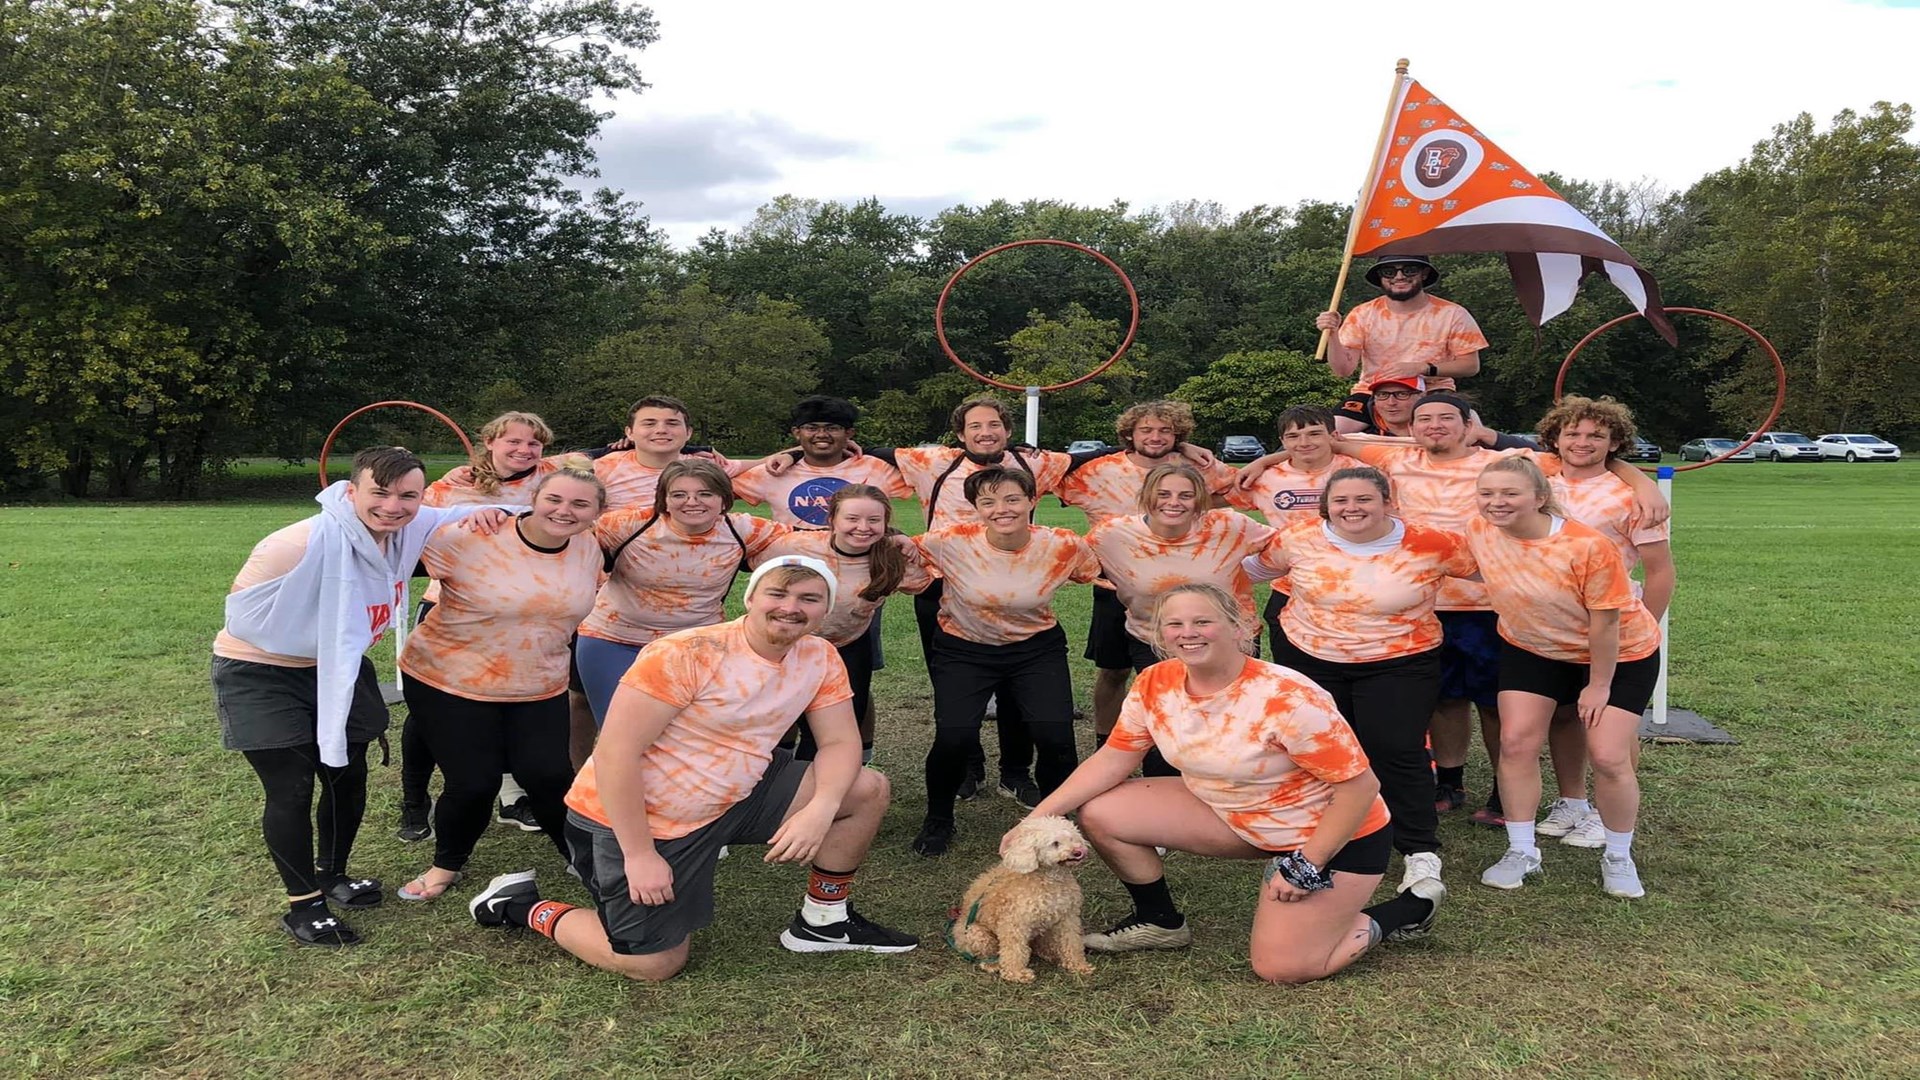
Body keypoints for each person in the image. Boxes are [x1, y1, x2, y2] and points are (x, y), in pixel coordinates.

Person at [467, 557, 919, 979]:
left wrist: (821, 807)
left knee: (864, 788)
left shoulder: (818, 655)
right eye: (778, 594)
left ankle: (823, 921)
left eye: (809, 598)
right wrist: (639, 855)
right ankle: (520, 904)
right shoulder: (687, 652)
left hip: (738, 791)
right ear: (751, 597)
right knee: (653, 964)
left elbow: (840, 741)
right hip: (642, 818)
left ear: (825, 610)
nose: (791, 607)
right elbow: (615, 753)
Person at [1241, 392, 1666, 827]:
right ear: (1411, 428)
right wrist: (1264, 460)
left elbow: (1581, 456)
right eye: (1424, 419)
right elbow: (1320, 442)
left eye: (1447, 417)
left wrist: (1643, 482)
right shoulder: (1395, 458)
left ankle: (1503, 791)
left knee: (1495, 704)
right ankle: (1449, 781)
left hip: (1489, 602)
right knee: (1444, 701)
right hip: (1420, 603)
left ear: (1469, 426)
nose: (1435, 426)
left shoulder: (1504, 462)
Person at [1009, 583, 1442, 984]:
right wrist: (1036, 819)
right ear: (1160, 635)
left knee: (1284, 967)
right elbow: (1113, 759)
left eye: (1203, 621)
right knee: (1102, 811)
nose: (1188, 633)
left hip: (1331, 834)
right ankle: (1160, 921)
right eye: (1175, 624)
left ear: (1239, 627)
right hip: (1234, 814)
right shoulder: (1155, 682)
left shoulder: (1288, 696)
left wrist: (1307, 864)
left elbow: (1359, 789)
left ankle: (1409, 908)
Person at [212, 447, 508, 947]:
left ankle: (333, 873)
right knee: (291, 787)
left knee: (348, 777)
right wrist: (323, 636)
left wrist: (491, 511)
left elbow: (493, 512)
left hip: (340, 668)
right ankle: (304, 904)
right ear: (351, 492)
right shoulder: (296, 542)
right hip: (262, 671)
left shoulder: (409, 528)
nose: (393, 506)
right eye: (380, 493)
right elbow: (245, 616)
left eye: (408, 496)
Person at [1246, 466, 1476, 895]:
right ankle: (1318, 842)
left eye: (1364, 499)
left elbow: (1496, 569)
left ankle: (1419, 851)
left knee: (1395, 748)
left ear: (1388, 502)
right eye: (1341, 501)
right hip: (1312, 657)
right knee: (1319, 752)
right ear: (1326, 506)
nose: (1352, 508)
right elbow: (1250, 570)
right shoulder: (1298, 538)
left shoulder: (1432, 543)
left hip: (1400, 660)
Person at [395, 463, 607, 902]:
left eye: (580, 504)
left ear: (596, 513)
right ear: (534, 500)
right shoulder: (474, 536)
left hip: (538, 682)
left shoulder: (589, 548)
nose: (564, 511)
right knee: (474, 782)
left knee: (549, 775)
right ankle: (446, 865)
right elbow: (391, 551)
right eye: (554, 499)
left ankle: (583, 860)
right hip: (449, 678)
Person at [1464, 457, 1663, 898]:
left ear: (1539, 497)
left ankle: (1618, 855)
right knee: (1516, 743)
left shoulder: (1586, 546)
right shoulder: (1479, 529)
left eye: (1510, 493)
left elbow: (1605, 623)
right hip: (1533, 648)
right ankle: (1521, 850)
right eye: (1487, 493)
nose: (1496, 502)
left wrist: (1598, 685)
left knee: (1608, 755)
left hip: (1620, 653)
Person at [910, 467, 1102, 857]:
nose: (1002, 509)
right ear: (976, 508)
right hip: (964, 647)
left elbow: (1099, 572)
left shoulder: (1063, 544)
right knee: (954, 736)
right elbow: (897, 551)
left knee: (1055, 735)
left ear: (1032, 500)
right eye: (989, 502)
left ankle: (1056, 821)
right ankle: (938, 819)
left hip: (1036, 648)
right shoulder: (948, 541)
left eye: (1013, 499)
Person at [400, 410, 562, 842]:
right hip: (452, 608)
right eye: (513, 441)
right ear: (489, 442)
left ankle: (511, 796)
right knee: (430, 710)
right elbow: (408, 526)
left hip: (528, 614)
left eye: (533, 443)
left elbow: (599, 460)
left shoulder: (553, 479)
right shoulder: (452, 485)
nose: (524, 450)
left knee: (512, 705)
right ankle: (414, 799)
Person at [1056, 400, 1241, 755]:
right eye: (1146, 430)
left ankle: (1185, 743)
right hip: (1117, 583)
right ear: (1129, 434)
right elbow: (1044, 476)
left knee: (1181, 670)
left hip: (1182, 583)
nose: (1155, 437)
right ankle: (1107, 743)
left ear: (1178, 435)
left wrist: (1197, 496)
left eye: (1165, 431)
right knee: (1114, 670)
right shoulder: (1098, 470)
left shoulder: (1195, 466)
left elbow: (1238, 488)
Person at [1533, 397, 1676, 850]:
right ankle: (1572, 801)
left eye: (1596, 435)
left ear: (1614, 443)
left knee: (1612, 724)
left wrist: (1646, 625)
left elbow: (1660, 570)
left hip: (1613, 625)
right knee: (1564, 715)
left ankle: (1605, 810)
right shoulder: (1536, 481)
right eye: (1573, 433)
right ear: (1555, 438)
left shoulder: (1629, 495)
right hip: (1549, 628)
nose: (1583, 442)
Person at [574, 459, 787, 726]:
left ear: (724, 499)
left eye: (705, 494)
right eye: (679, 495)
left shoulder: (744, 531)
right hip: (614, 640)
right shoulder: (625, 525)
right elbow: (564, 539)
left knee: (691, 731)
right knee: (623, 730)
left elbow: (813, 543)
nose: (691, 502)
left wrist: (794, 455)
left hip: (696, 643)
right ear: (663, 499)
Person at [1083, 461, 1274, 759]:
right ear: (1146, 496)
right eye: (1163, 494)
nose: (1174, 503)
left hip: (1230, 640)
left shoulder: (1231, 526)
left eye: (1186, 495)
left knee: (1229, 730)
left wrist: (1253, 572)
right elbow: (1065, 558)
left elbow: (1289, 547)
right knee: (1167, 736)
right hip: (1154, 639)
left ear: (1200, 499)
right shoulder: (1112, 535)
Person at [763, 484, 933, 762]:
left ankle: (822, 779)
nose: (863, 528)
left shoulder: (894, 558)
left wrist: (903, 540)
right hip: (790, 646)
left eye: (874, 520)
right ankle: (776, 776)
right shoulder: (797, 546)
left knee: (836, 727)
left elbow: (933, 586)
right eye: (852, 518)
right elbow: (746, 557)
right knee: (780, 717)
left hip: (848, 646)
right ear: (832, 520)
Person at [1224, 405, 1362, 651]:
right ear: (1282, 441)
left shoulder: (1362, 472)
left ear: (1333, 435)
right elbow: (1208, 499)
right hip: (1289, 587)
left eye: (1314, 433)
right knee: (1292, 663)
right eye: (1293, 436)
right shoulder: (1265, 479)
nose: (1304, 442)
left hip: (1353, 586)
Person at [1316, 255, 1486, 435]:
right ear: (1380, 277)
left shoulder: (1453, 313)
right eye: (1389, 272)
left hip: (1433, 390)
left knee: (1473, 434)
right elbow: (1343, 370)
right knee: (1328, 434)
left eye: (1409, 270)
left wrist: (1422, 368)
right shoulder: (1362, 313)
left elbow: (1470, 366)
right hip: (1373, 391)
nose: (1399, 277)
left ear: (1424, 273)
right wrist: (1332, 334)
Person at [731, 396, 912, 528]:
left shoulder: (878, 469)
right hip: (797, 565)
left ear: (849, 434)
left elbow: (929, 464)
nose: (822, 435)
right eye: (812, 428)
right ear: (797, 433)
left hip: (863, 565)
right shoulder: (773, 472)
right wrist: (791, 454)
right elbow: (717, 486)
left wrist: (867, 450)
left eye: (832, 428)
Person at [592, 395, 747, 511]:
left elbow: (761, 466)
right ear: (629, 432)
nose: (661, 430)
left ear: (688, 432)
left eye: (672, 423)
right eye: (649, 423)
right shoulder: (601, 468)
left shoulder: (705, 467)